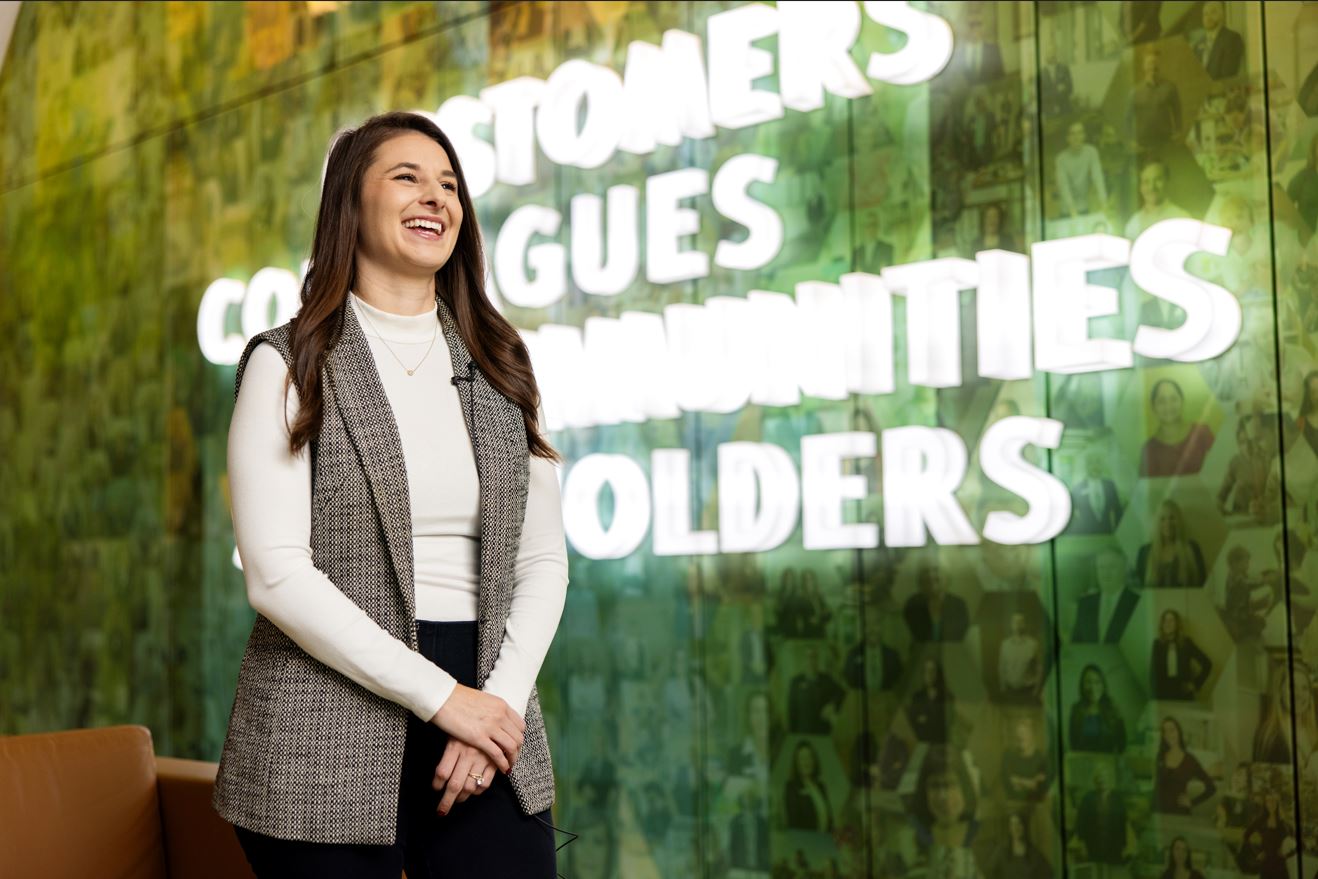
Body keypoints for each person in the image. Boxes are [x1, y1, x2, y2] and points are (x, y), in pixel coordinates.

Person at [213, 112, 569, 876]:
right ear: (350, 203)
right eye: (406, 176)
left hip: (485, 694)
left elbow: (542, 560)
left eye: (449, 184)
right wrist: (445, 698)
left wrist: (491, 708)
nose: (435, 196)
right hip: (322, 717)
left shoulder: (501, 362)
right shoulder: (290, 362)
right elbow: (276, 574)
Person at [1139, 379, 1215, 477]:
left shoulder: (1203, 432)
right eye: (1161, 401)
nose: (1168, 406)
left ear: (1182, 401)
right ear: (1153, 407)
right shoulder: (1149, 449)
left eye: (1173, 399)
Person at [1253, 661, 1318, 768]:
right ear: (1280, 693)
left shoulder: (1314, 730)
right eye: (1292, 687)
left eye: (1305, 688)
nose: (1299, 694)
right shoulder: (1268, 736)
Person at [1072, 548, 1141, 644]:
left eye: (1112, 567)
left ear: (1124, 569)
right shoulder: (1085, 604)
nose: (1106, 573)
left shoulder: (1137, 603)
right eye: (1101, 567)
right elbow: (1076, 644)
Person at [1136, 499, 1207, 587]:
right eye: (1162, 519)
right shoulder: (1144, 552)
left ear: (1179, 521)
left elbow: (1202, 585)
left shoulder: (1192, 549)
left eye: (1172, 518)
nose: (1167, 523)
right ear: (1157, 523)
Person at [1153, 716, 1217, 814]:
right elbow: (1157, 787)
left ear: (1179, 732)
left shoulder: (1190, 761)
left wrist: (1192, 802)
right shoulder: (1160, 756)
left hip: (1179, 813)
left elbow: (1211, 788)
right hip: (1159, 813)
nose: (1168, 734)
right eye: (1164, 731)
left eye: (1172, 730)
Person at [1074, 763, 1128, 867]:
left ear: (1110, 779)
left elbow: (1122, 825)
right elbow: (1080, 823)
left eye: (1105, 777)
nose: (1102, 780)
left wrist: (1124, 846)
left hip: (1114, 847)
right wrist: (1082, 845)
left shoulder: (1118, 799)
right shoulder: (1088, 798)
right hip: (1093, 846)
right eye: (1099, 777)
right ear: (1095, 780)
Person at [1151, 609, 1213, 700]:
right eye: (1165, 620)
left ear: (1177, 624)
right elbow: (1153, 675)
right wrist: (1154, 698)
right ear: (1162, 624)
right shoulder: (1157, 644)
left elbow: (1207, 664)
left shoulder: (1186, 643)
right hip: (1163, 696)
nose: (1167, 623)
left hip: (1184, 695)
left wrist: (1195, 684)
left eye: (1171, 620)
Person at [1069, 664, 1127, 753]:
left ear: (1103, 685)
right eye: (1088, 682)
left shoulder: (1114, 709)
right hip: (1083, 763)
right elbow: (1073, 744)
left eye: (1097, 682)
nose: (1093, 687)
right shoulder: (1076, 710)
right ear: (1082, 685)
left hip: (1108, 764)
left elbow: (1122, 744)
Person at [904, 564, 970, 642]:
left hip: (951, 650)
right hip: (922, 651)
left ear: (946, 578)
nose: (931, 575)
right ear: (920, 580)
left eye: (936, 570)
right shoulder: (913, 603)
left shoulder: (958, 604)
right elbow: (917, 633)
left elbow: (958, 635)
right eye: (926, 571)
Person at [1055, 122, 1108, 218]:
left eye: (1080, 133)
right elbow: (1064, 186)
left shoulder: (1091, 152)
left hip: (1084, 208)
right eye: (1073, 134)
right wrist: (1072, 211)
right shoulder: (1061, 159)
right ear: (1067, 138)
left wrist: (1103, 202)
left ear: (1084, 135)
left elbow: (1098, 177)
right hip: (1067, 210)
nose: (1077, 137)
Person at [1244, 788, 1296, 879]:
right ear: (1265, 803)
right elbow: (1246, 836)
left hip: (1280, 866)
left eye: (1274, 801)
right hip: (1266, 865)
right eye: (1268, 801)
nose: (1271, 804)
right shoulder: (1260, 821)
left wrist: (1288, 854)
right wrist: (1257, 853)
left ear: (1277, 803)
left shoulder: (1284, 823)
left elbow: (1301, 844)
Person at [783, 740, 833, 832]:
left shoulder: (821, 786)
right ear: (796, 763)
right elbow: (793, 823)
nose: (807, 761)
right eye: (802, 758)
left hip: (825, 842)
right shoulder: (791, 787)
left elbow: (829, 820)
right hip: (804, 843)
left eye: (809, 757)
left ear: (814, 760)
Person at [1068, 450, 1122, 534]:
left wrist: (1119, 531)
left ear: (1102, 465)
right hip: (1084, 534)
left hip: (1108, 534)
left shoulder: (1110, 485)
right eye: (1091, 463)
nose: (1095, 466)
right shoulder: (1078, 488)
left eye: (1098, 462)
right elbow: (1071, 514)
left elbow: (1118, 511)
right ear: (1086, 466)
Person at [1000, 715, 1052, 802]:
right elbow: (1007, 781)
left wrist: (1018, 781)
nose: (1021, 737)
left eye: (1024, 733)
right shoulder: (1009, 756)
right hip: (1013, 805)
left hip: (1035, 807)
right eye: (1019, 734)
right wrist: (1030, 783)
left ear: (1032, 735)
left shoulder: (1042, 759)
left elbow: (1041, 787)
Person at [987, 811, 1050, 879]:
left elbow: (1047, 874)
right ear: (1009, 828)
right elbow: (989, 873)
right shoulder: (1002, 851)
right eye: (1012, 824)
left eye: (1019, 823)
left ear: (1024, 827)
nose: (1016, 828)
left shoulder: (1034, 854)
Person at [1191, 0, 1245, 81]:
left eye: (1213, 12)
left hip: (1221, 91)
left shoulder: (1232, 38)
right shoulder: (1197, 45)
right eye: (1205, 14)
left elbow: (1228, 74)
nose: (1208, 17)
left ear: (1222, 15)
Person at [997, 611, 1043, 703]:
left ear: (1024, 625)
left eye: (1020, 622)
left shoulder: (1033, 644)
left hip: (1027, 691)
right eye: (1014, 622)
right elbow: (1001, 666)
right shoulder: (1004, 645)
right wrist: (1002, 686)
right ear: (1011, 625)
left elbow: (1040, 668)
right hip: (1009, 691)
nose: (1017, 625)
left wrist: (1036, 690)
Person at [907, 658, 955, 744]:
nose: (929, 674)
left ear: (938, 674)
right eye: (926, 671)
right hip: (921, 742)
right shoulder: (917, 697)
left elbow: (947, 722)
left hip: (940, 742)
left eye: (932, 670)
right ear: (923, 674)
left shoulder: (947, 697)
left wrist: (926, 719)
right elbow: (913, 722)